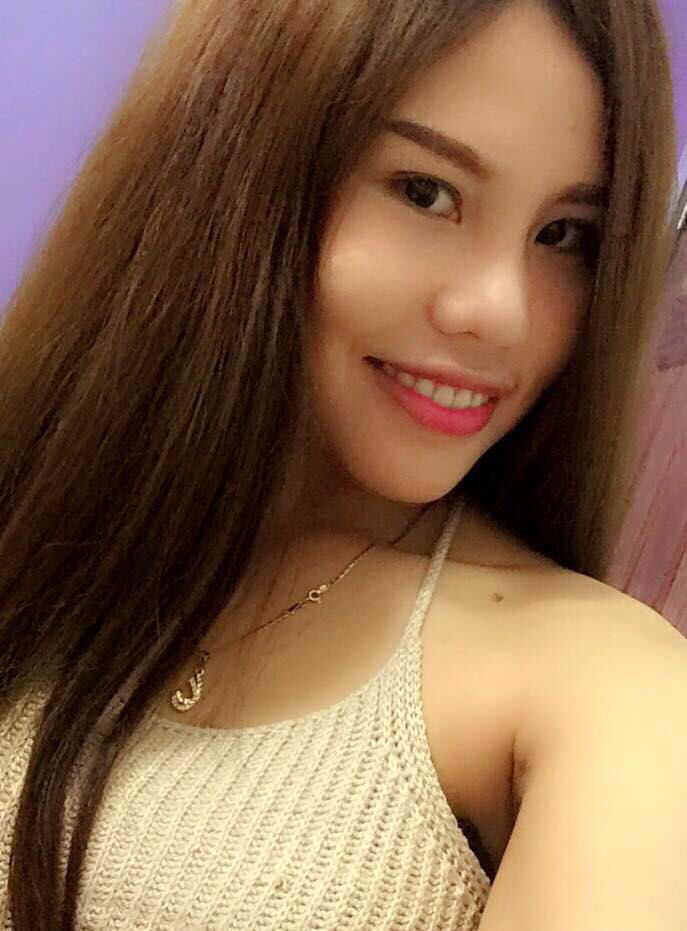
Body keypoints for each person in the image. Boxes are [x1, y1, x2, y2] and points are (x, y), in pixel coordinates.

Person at [0, 0, 685, 928]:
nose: (501, 312)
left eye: (563, 235)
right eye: (425, 191)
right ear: (227, 163)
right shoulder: (48, 521)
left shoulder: (607, 690)